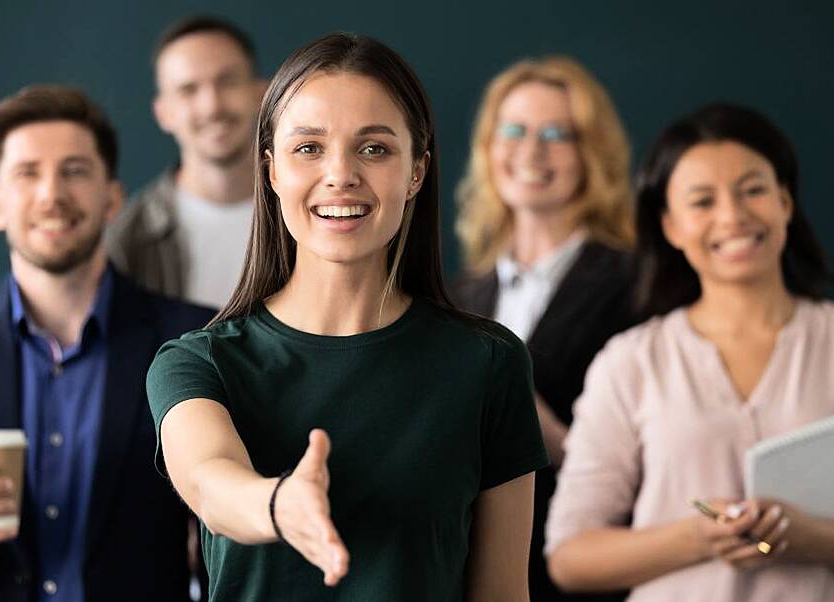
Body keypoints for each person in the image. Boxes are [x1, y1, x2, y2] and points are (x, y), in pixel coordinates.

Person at [146, 33, 546, 601]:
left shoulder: (488, 363)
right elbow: (211, 485)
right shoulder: (198, 361)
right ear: (272, 170)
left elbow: (503, 593)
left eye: (375, 148)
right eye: (308, 148)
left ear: (416, 171)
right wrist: (280, 506)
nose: (340, 174)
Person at [545, 104, 834, 601]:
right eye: (702, 201)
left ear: (784, 201)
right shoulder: (630, 361)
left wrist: (816, 538)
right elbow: (569, 557)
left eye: (753, 190)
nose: (732, 216)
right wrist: (696, 538)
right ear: (670, 226)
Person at [0, 85, 214, 601]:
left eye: (74, 170)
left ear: (112, 199)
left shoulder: (190, 339)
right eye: (27, 173)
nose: (51, 194)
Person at [451, 56, 635, 601]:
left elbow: (668, 471)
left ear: (591, 154)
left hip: (576, 577)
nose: (531, 152)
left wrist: (554, 437)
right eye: (514, 131)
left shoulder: (639, 284)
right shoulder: (460, 294)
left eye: (558, 134)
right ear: (489, 146)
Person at [105, 15, 266, 309]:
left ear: (261, 94)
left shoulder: (310, 213)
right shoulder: (127, 241)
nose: (212, 106)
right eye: (188, 90)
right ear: (163, 113)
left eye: (227, 81)